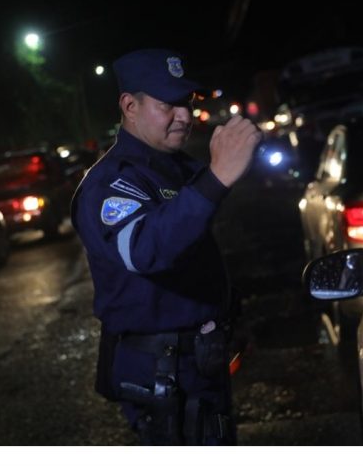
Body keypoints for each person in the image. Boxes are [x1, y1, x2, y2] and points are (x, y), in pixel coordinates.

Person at [71, 48, 262, 445]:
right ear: (130, 106)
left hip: (202, 358)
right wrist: (216, 177)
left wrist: (229, 312)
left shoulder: (179, 167)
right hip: (162, 370)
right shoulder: (110, 181)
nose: (185, 116)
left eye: (187, 103)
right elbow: (143, 250)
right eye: (168, 104)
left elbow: (196, 256)